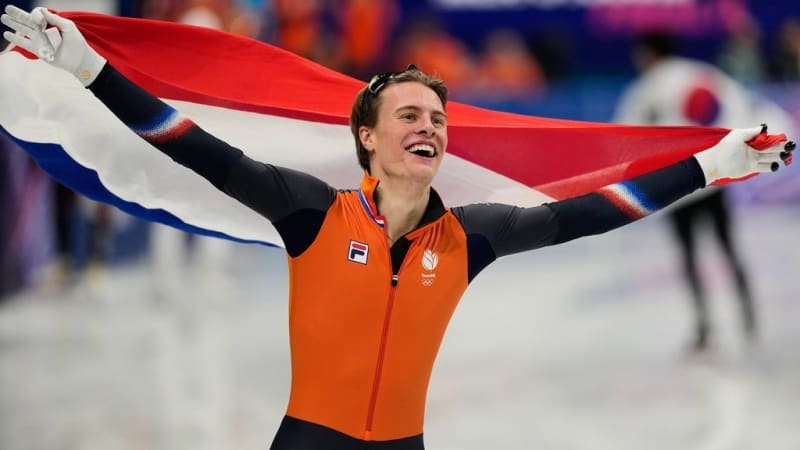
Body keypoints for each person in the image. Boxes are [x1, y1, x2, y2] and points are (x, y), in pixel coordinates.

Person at [2, 6, 794, 449]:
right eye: (409, 115)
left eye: (438, 118)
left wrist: (711, 167)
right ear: (368, 140)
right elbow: (190, 143)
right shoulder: (309, 211)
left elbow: (590, 214)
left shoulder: (471, 236)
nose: (430, 126)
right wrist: (90, 71)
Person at [614, 33, 794, 356]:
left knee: (690, 257)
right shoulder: (703, 75)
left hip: (675, 189)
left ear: (648, 53)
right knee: (728, 247)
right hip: (711, 178)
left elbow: (625, 139)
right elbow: (741, 108)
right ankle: (748, 319)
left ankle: (704, 328)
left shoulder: (645, 90)